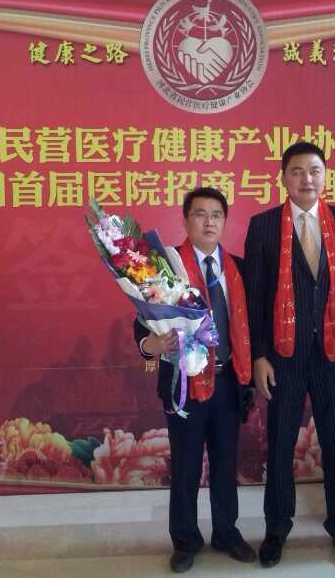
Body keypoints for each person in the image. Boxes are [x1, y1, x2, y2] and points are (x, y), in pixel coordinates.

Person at [244, 142, 335, 569]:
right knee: (280, 446)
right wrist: (259, 356)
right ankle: (276, 530)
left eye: (314, 170)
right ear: (283, 178)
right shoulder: (263, 226)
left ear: (325, 175)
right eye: (297, 171)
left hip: (334, 355)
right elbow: (255, 297)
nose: (306, 179)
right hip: (283, 356)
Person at [134, 187, 255, 574]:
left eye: (216, 215)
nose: (209, 222)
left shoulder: (238, 268)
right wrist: (151, 344)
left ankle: (226, 533)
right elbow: (142, 322)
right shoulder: (168, 267)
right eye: (200, 214)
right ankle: (185, 540)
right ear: (185, 220)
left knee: (225, 463)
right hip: (184, 383)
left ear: (225, 222)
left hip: (229, 382)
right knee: (185, 466)